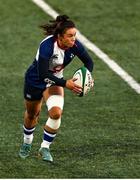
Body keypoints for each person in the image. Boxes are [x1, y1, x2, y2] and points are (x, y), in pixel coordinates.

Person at [19, 15, 94, 162]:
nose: (74, 39)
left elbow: (89, 62)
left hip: (55, 82)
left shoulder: (75, 46)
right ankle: (27, 143)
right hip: (35, 81)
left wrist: (88, 76)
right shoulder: (47, 46)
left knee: (56, 113)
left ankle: (44, 148)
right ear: (60, 37)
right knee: (32, 114)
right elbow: (42, 74)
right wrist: (66, 83)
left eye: (75, 35)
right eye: (70, 36)